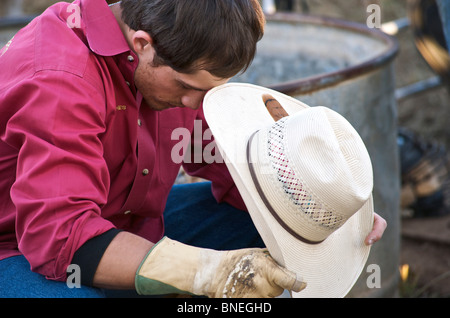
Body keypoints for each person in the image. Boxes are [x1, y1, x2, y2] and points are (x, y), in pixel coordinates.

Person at [0, 0, 386, 298]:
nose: (194, 104)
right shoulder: (61, 80)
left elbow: (242, 170)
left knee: (267, 224)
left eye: (210, 91)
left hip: (115, 219)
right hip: (18, 246)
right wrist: (205, 272)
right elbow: (61, 234)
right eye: (189, 87)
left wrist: (326, 209)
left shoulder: (173, 64)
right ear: (143, 44)